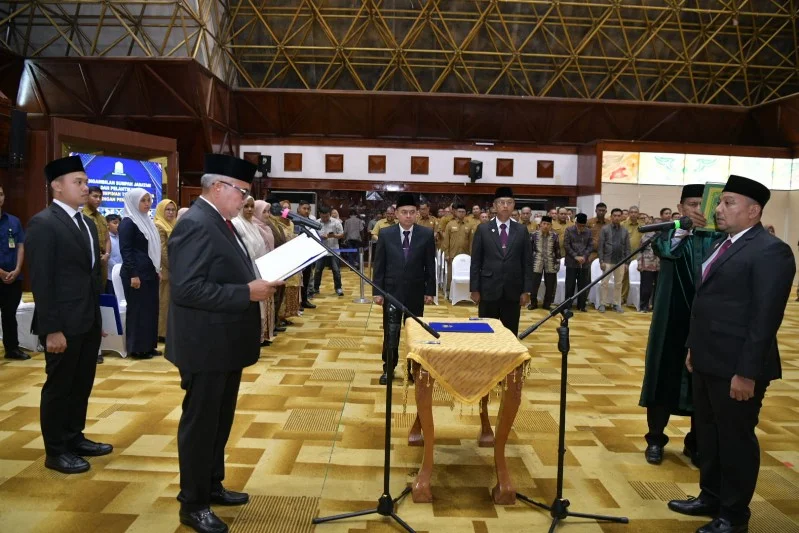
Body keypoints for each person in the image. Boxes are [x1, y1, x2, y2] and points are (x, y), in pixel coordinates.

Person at [668, 176, 795, 533]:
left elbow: (765, 318)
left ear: (754, 211)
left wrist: (747, 372)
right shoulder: (722, 244)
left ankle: (734, 515)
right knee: (708, 435)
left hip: (738, 366)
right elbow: (704, 303)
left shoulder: (771, 251)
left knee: (735, 439)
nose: (718, 209)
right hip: (707, 359)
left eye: (728, 203)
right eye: (720, 202)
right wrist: (693, 346)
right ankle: (710, 497)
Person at [167, 154, 283, 533]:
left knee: (220, 421)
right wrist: (246, 292)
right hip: (204, 344)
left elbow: (224, 271)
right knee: (201, 425)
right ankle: (193, 503)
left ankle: (211, 484)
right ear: (218, 187)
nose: (245, 199)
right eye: (242, 192)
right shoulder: (196, 224)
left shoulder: (221, 221)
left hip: (223, 342)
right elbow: (187, 289)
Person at [26, 155, 111, 474]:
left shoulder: (86, 223)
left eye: (85, 181)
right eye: (78, 182)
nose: (85, 187)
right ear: (57, 187)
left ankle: (74, 437)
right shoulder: (44, 223)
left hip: (86, 320)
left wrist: (96, 320)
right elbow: (42, 281)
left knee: (81, 383)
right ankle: (56, 450)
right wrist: (52, 329)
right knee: (59, 386)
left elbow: (89, 276)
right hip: (61, 323)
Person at [639, 184, 720, 466]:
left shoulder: (718, 237)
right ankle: (655, 439)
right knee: (663, 377)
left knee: (702, 383)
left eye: (702, 205)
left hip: (706, 322)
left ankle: (695, 442)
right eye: (692, 204)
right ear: (681, 207)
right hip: (670, 319)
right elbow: (666, 251)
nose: (697, 210)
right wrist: (684, 229)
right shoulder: (669, 233)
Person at [373, 193, 436, 385]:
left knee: (414, 333)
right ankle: (388, 368)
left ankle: (412, 368)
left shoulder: (426, 234)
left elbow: (430, 265)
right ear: (397, 214)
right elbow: (379, 265)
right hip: (391, 292)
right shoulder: (386, 234)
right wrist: (377, 292)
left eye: (411, 212)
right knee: (391, 332)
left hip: (416, 292)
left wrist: (430, 291)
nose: (408, 216)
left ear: (417, 213)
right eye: (404, 212)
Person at [470, 186, 533, 336]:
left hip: (513, 291)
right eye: (501, 202)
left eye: (509, 203)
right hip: (488, 290)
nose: (505, 206)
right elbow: (476, 262)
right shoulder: (483, 229)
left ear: (513, 205)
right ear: (494, 206)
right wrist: (474, 289)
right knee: (486, 334)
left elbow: (527, 262)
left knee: (509, 334)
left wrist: (526, 290)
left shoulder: (521, 230)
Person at [119, 188, 161, 359]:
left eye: (149, 200)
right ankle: (137, 349)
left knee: (150, 310)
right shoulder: (128, 223)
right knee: (138, 312)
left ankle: (148, 346)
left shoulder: (146, 221)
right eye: (143, 200)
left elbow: (152, 249)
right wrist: (133, 275)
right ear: (134, 202)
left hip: (149, 272)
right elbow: (126, 251)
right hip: (135, 274)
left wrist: (157, 269)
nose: (147, 204)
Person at [233, 196, 271, 347]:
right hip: (245, 272)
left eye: (252, 206)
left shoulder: (253, 225)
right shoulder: (237, 224)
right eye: (246, 206)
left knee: (258, 307)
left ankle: (257, 338)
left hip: (257, 269)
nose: (249, 209)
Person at [0, 184, 27, 360]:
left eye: (1, 194)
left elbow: (20, 246)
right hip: (2, 274)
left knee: (10, 314)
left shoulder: (13, 221)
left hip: (13, 277)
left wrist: (17, 269)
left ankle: (12, 349)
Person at [597, 208, 630, 313]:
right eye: (614, 216)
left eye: (619, 216)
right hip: (607, 260)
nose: (616, 218)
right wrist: (601, 261)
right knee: (604, 283)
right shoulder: (605, 229)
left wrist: (627, 262)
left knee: (618, 284)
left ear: (622, 217)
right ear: (611, 217)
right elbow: (600, 246)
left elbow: (627, 248)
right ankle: (602, 304)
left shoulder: (624, 231)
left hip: (621, 261)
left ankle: (617, 304)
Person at [154, 199, 177, 343]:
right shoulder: (159, 225)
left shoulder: (173, 224)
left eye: (173, 210)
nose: (170, 212)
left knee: (169, 302)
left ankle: (168, 331)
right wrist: (174, 265)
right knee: (164, 302)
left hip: (173, 269)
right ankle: (161, 333)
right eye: (167, 209)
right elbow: (162, 251)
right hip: (165, 269)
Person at [529, 215, 561, 311]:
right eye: (544, 224)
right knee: (534, 285)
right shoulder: (533, 235)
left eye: (548, 224)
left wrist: (557, 263)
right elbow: (529, 250)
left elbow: (557, 250)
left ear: (551, 226)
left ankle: (547, 304)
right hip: (536, 262)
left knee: (550, 285)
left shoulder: (554, 236)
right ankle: (533, 303)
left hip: (550, 262)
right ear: (540, 225)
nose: (546, 226)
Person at [82, 186, 111, 286]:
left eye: (100, 197)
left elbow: (107, 239)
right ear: (87, 197)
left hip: (103, 262)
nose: (98, 199)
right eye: (95, 196)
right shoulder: (81, 216)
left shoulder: (101, 217)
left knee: (101, 289)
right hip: (89, 262)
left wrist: (107, 254)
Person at [563, 213, 593, 312]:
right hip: (571, 262)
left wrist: (584, 256)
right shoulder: (569, 230)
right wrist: (575, 256)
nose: (581, 228)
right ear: (576, 223)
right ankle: (567, 305)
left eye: (583, 226)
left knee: (583, 285)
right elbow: (566, 245)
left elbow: (590, 246)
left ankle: (582, 305)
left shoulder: (589, 231)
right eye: (579, 225)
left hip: (584, 263)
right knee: (570, 285)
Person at [313, 206, 345, 297]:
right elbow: (313, 236)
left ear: (329, 214)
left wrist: (333, 236)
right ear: (320, 215)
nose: (325, 218)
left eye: (327, 216)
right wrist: (320, 237)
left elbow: (342, 235)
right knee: (318, 270)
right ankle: (315, 288)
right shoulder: (316, 223)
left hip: (334, 250)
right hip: (320, 251)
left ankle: (338, 288)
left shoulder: (336, 222)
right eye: (323, 217)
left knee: (336, 270)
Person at [105, 214, 122, 295]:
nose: (118, 225)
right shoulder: (107, 239)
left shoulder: (121, 237)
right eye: (115, 223)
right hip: (110, 275)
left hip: (122, 273)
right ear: (107, 225)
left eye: (119, 223)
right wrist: (117, 267)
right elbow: (107, 257)